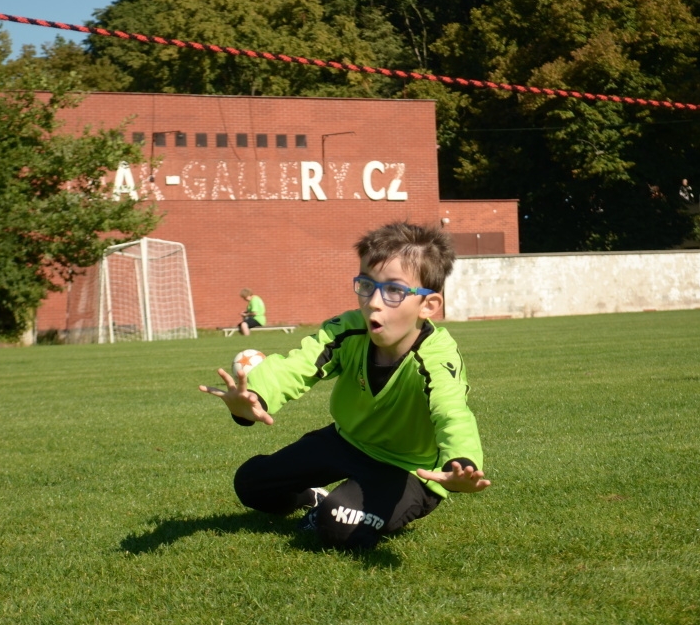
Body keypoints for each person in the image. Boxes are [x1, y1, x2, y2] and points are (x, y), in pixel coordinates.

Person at [200, 221, 489, 549]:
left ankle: (338, 507)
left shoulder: (437, 358)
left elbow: (452, 412)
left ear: (428, 305)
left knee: (337, 523)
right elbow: (299, 364)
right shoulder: (348, 330)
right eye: (367, 285)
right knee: (251, 483)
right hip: (347, 442)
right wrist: (254, 395)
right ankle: (314, 498)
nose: (374, 302)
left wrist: (461, 464)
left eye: (394, 290)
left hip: (409, 469)